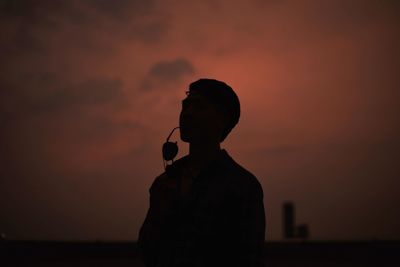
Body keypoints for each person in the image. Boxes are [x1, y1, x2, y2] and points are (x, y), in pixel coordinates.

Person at [138, 79, 266, 267]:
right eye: (186, 106)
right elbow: (147, 251)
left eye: (199, 107)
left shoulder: (242, 186)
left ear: (222, 120)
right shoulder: (165, 183)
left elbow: (250, 258)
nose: (187, 113)